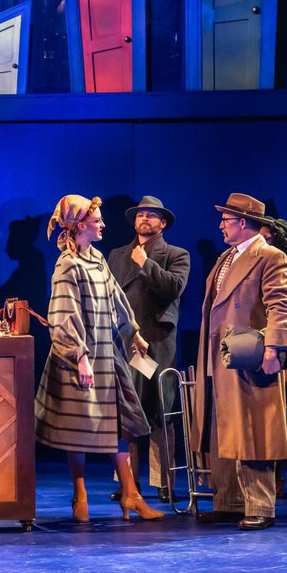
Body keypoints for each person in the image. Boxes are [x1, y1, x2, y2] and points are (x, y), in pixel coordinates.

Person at [35, 195, 164, 524]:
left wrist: (132, 332)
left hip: (107, 354)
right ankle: (80, 494)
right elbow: (64, 313)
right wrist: (79, 355)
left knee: (118, 422)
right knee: (77, 424)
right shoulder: (68, 264)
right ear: (80, 226)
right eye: (97, 221)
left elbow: (116, 298)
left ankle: (131, 494)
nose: (103, 225)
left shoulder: (97, 259)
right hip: (80, 355)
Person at [193, 193, 287, 531]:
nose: (220, 223)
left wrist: (274, 349)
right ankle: (229, 501)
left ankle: (260, 506)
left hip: (247, 354)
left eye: (226, 218)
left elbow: (282, 304)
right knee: (221, 430)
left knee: (253, 429)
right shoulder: (226, 257)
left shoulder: (269, 256)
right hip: (218, 354)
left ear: (242, 222)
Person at [105, 196, 189, 503]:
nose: (145, 219)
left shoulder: (176, 255)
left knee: (160, 413)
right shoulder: (116, 255)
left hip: (156, 343)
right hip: (127, 344)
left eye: (152, 216)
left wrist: (146, 264)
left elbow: (173, 288)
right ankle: (127, 482)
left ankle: (165, 482)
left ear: (162, 223)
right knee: (126, 413)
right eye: (141, 215)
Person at [260, 215, 287, 497]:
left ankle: (275, 477)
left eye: (266, 238)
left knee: (276, 423)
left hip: (278, 355)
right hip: (255, 353)